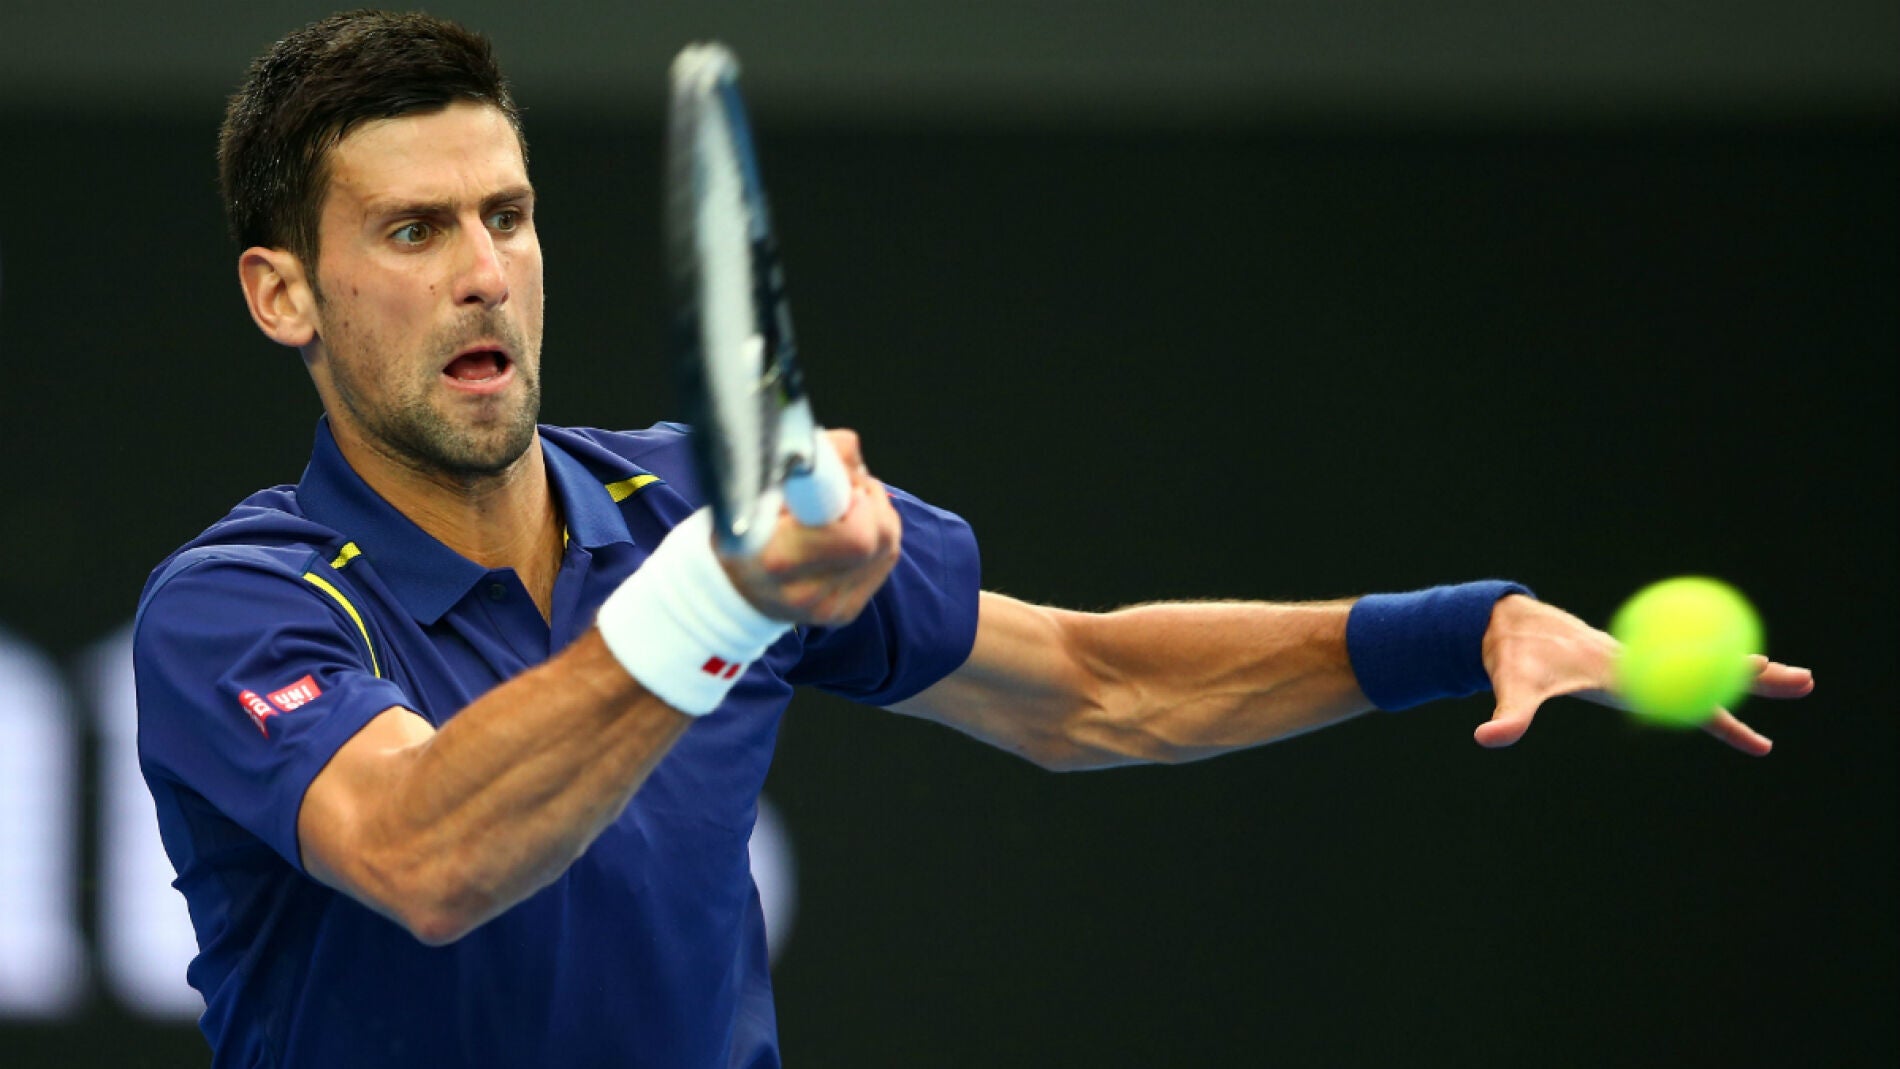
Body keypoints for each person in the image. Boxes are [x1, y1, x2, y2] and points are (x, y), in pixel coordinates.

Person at [133, 11, 1814, 1069]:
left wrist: (1460, 627)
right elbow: (426, 856)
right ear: (284, 291)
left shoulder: (670, 501)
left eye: (505, 215)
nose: (484, 270)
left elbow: (1087, 685)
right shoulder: (241, 606)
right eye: (413, 231)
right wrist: (719, 599)